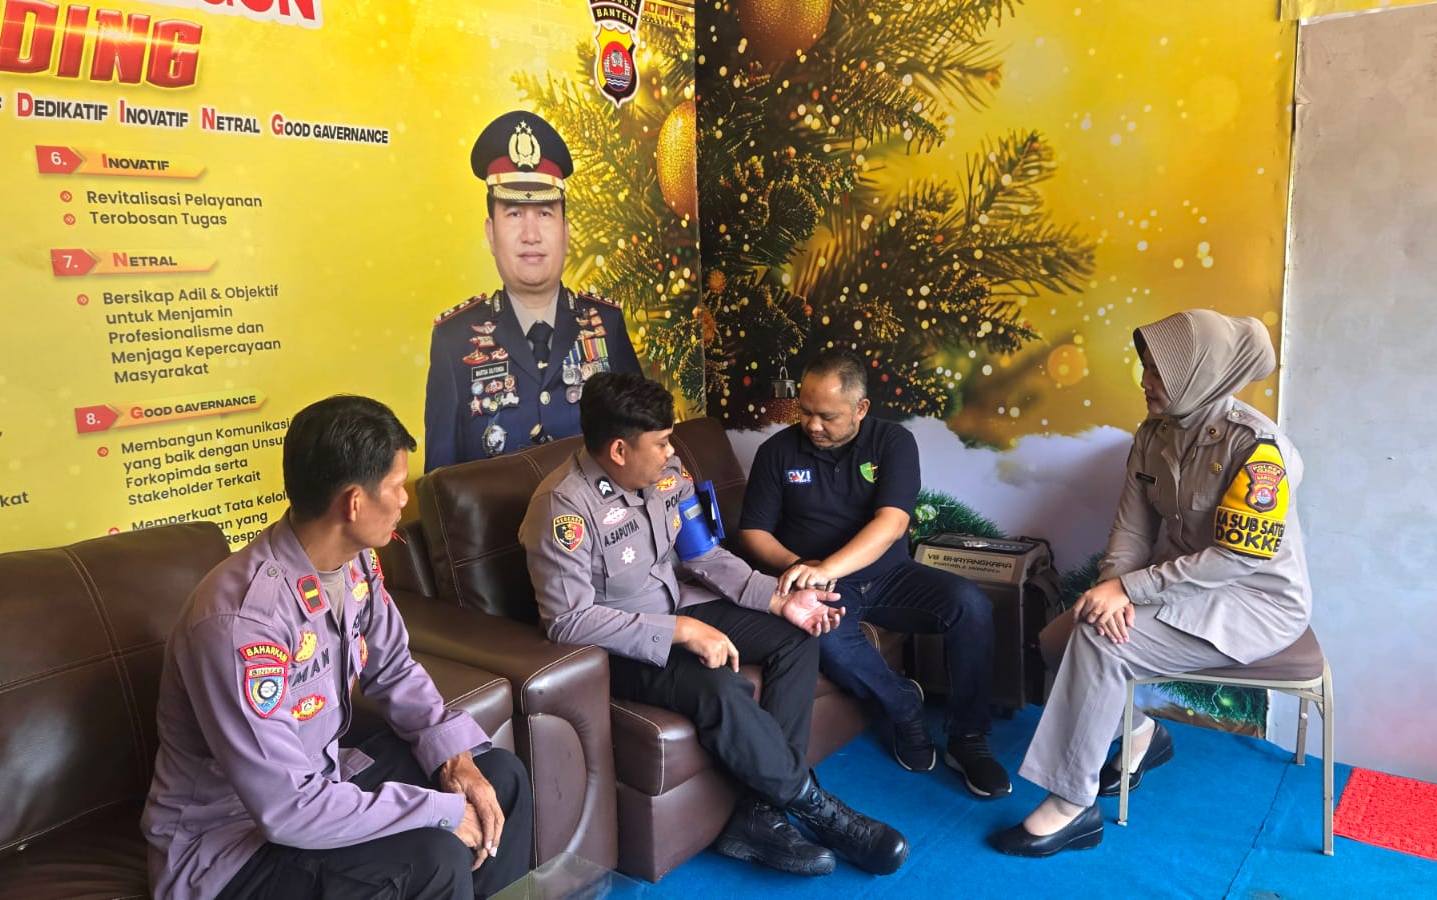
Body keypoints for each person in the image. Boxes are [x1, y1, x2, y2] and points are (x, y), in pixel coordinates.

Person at [519, 372, 909, 878]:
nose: (671, 452)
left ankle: (759, 814)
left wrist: (777, 599)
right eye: (661, 442)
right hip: (619, 646)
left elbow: (702, 554)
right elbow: (568, 621)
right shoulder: (563, 508)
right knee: (720, 687)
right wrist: (680, 632)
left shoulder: (665, 472)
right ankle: (816, 806)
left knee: (795, 637)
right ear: (618, 450)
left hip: (680, 605)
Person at [142, 396, 534, 899]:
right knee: (431, 855)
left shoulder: (355, 565)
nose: (404, 500)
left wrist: (455, 759)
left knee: (501, 779)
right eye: (396, 486)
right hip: (234, 847)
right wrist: (438, 811)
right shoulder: (242, 623)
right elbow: (286, 810)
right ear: (353, 503)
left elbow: (393, 669)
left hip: (323, 783)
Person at [989, 309, 1312, 857]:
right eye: (1146, 368)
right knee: (1057, 640)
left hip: (1252, 600)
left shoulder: (1260, 450)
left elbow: (1236, 558)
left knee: (1098, 641)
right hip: (1173, 586)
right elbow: (1132, 529)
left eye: (1160, 372)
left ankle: (1072, 804)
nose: (1145, 382)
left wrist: (1131, 592)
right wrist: (1113, 588)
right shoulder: (1153, 434)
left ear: (1199, 374)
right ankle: (1141, 733)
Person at [739, 349, 1012, 799]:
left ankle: (968, 737)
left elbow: (892, 524)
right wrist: (797, 565)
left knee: (971, 605)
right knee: (828, 640)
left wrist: (828, 566)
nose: (812, 425)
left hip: (891, 576)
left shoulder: (893, 443)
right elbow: (753, 531)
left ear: (860, 408)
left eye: (827, 416)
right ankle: (905, 707)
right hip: (824, 587)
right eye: (805, 411)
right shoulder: (777, 452)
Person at [425, 110, 640, 471]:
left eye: (544, 213)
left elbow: (642, 452)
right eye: (514, 214)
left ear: (566, 231)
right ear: (491, 233)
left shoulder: (607, 324)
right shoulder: (454, 340)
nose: (531, 235)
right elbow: (440, 487)